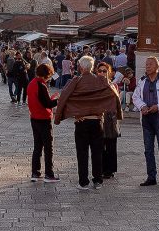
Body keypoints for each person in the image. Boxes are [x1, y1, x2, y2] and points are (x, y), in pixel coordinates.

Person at [54, 56, 120, 191]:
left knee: (82, 153)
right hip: (97, 121)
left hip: (81, 122)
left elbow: (64, 96)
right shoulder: (100, 80)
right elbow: (113, 93)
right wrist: (115, 112)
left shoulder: (76, 81)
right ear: (91, 67)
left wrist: (59, 117)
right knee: (97, 152)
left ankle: (83, 182)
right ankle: (98, 180)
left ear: (81, 67)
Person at [132, 56, 159, 187]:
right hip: (146, 119)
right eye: (146, 64)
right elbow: (135, 97)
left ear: (157, 67)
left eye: (150, 64)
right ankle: (151, 176)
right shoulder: (142, 81)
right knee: (148, 150)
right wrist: (142, 106)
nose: (147, 66)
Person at [26, 63, 60, 183]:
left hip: (34, 117)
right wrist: (57, 100)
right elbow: (47, 104)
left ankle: (35, 172)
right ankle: (49, 174)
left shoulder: (32, 83)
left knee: (37, 146)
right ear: (47, 74)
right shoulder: (41, 85)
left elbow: (38, 100)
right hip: (43, 118)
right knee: (48, 147)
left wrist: (51, 99)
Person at [96, 61, 122, 179]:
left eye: (104, 71)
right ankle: (101, 168)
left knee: (111, 144)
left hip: (111, 118)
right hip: (99, 117)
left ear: (109, 73)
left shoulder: (113, 85)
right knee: (100, 145)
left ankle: (110, 170)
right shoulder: (94, 85)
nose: (102, 73)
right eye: (99, 71)